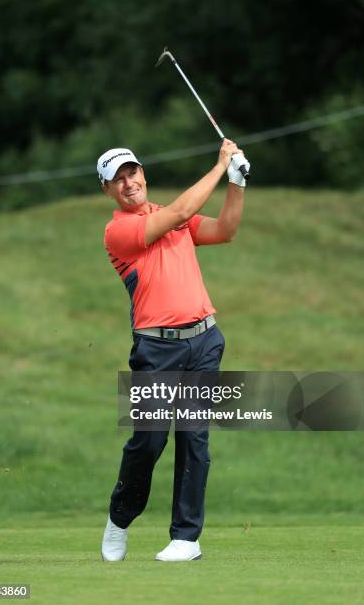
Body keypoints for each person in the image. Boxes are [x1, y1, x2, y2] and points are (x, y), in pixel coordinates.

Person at [97, 140, 250, 562]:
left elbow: (225, 230)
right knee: (147, 442)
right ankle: (120, 519)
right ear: (107, 190)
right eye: (118, 179)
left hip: (204, 341)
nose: (129, 183)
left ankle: (186, 538)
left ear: (143, 173)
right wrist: (221, 165)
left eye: (133, 173)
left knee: (194, 438)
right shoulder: (118, 231)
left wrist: (237, 182)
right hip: (155, 349)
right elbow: (181, 213)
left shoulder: (172, 217)